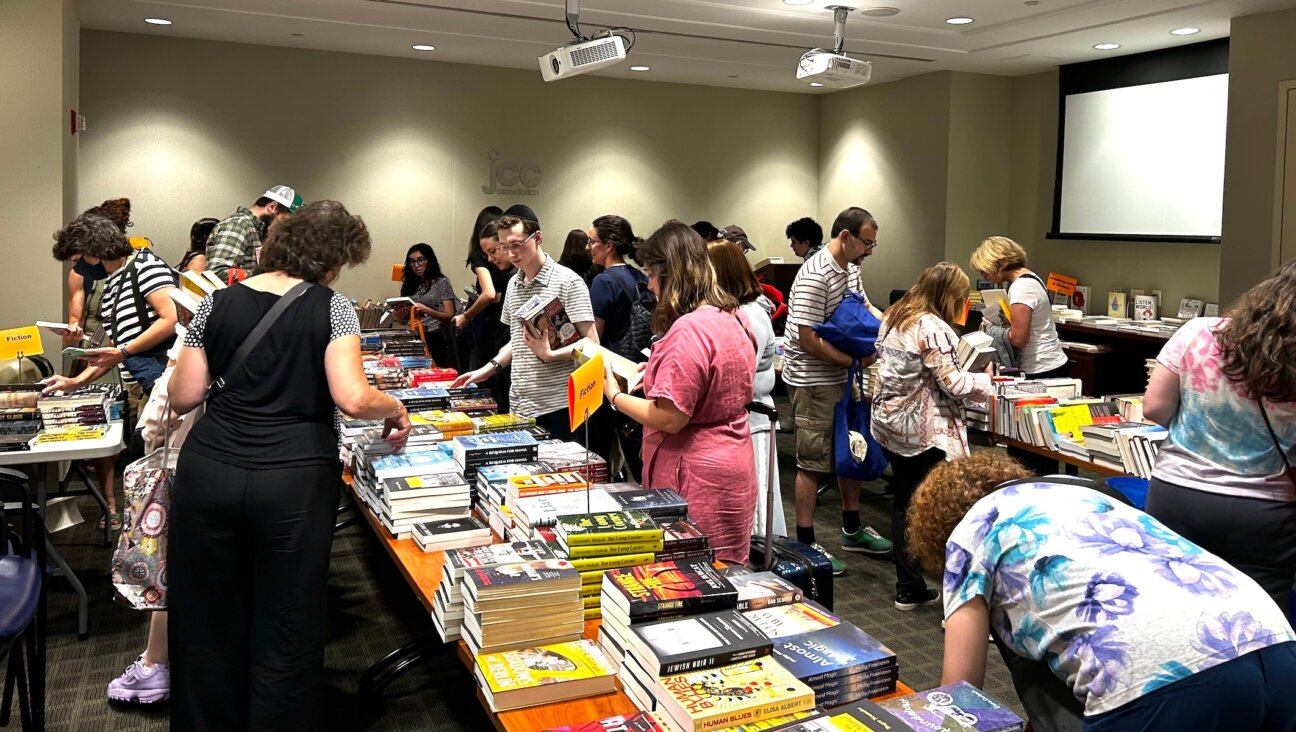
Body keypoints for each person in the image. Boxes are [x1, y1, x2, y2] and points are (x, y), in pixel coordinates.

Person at [165, 200, 412, 730]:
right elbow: (351, 397)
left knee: (206, 613)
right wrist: (395, 408)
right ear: (331, 259)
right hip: (294, 477)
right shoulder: (333, 307)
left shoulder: (217, 303)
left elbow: (183, 395)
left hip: (210, 468)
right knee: (287, 615)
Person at [908, 451, 1296, 732]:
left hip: (1157, 678)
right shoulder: (1085, 493)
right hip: (1272, 639)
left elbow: (959, 694)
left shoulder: (971, 533)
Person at [1143, 260, 1296, 610]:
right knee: (1259, 622)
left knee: (1168, 605)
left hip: (1179, 494)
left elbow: (1155, 408)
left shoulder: (1198, 332)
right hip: (1266, 509)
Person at [602, 221, 756, 565]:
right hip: (732, 458)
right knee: (725, 568)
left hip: (695, 471)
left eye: (652, 274)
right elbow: (713, 380)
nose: (650, 284)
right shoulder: (733, 316)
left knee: (690, 572)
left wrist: (614, 395)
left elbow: (670, 418)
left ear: (670, 274)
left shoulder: (688, 329)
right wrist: (655, 370)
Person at [44, 213, 179, 530]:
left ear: (95, 249)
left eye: (80, 259)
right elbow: (113, 345)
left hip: (165, 385)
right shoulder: (116, 280)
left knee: (159, 474)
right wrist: (75, 381)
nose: (79, 268)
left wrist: (124, 351)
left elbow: (170, 318)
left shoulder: (145, 267)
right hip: (147, 383)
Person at [872, 262, 994, 610]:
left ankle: (908, 587)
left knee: (905, 502)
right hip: (924, 430)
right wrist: (988, 382)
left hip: (890, 422)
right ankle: (957, 601)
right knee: (942, 508)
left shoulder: (896, 316)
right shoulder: (932, 327)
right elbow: (954, 384)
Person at [782, 206, 893, 574]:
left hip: (844, 375)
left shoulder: (851, 269)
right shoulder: (815, 275)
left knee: (851, 449)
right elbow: (807, 338)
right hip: (814, 378)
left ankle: (852, 528)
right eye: (867, 243)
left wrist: (891, 325)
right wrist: (854, 363)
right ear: (845, 237)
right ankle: (806, 541)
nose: (870, 251)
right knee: (813, 461)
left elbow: (864, 307)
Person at [452, 206, 596, 439]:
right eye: (505, 247)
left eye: (517, 245)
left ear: (537, 238)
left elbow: (592, 345)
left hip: (558, 405)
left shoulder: (569, 282)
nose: (511, 254)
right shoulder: (513, 283)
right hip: (520, 403)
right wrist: (489, 368)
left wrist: (550, 355)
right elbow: (517, 340)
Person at [970, 235, 1069, 476]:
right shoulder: (1029, 279)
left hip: (1042, 371)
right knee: (1031, 446)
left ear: (999, 263)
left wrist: (990, 328)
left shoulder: (1022, 287)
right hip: (1045, 366)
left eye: (985, 270)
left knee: (1032, 448)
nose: (984, 277)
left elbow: (1017, 338)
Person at [707, 239, 785, 538]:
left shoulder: (751, 315)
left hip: (753, 424)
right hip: (739, 423)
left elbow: (736, 376)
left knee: (758, 517)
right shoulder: (731, 312)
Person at [585, 215, 649, 480]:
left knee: (599, 452)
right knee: (637, 454)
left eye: (592, 241)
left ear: (608, 245)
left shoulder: (603, 282)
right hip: (639, 371)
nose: (588, 247)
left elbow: (594, 337)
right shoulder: (641, 276)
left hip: (610, 374)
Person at [205, 184, 302, 284]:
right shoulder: (238, 225)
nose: (282, 227)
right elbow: (217, 273)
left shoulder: (258, 231)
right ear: (272, 207)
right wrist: (268, 277)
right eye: (283, 220)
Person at [454, 205, 506, 373]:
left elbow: (489, 293)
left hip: (493, 323)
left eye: (493, 251)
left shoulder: (479, 256)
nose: (491, 259)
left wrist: (466, 316)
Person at [400, 243, 456, 367]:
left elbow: (449, 314)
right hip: (416, 334)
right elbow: (403, 321)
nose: (416, 265)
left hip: (436, 334)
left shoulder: (441, 282)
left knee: (439, 370)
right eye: (412, 262)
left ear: (429, 260)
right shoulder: (408, 285)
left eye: (420, 260)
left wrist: (426, 310)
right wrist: (402, 314)